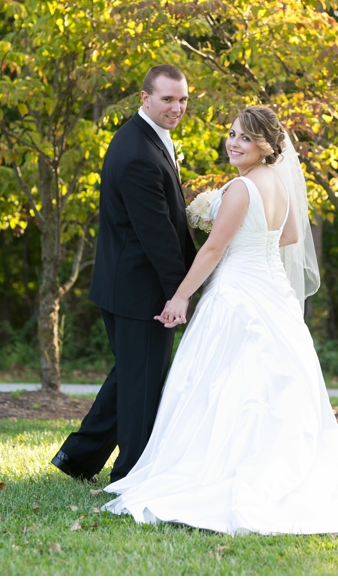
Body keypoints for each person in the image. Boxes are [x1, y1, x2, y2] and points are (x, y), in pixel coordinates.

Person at [102, 106, 338, 535]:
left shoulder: (240, 188)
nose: (233, 142)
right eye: (231, 134)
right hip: (273, 291)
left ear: (265, 146)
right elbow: (288, 236)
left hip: (236, 295)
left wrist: (179, 296)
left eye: (244, 138)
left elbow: (211, 252)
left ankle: (221, 468)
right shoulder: (279, 184)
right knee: (274, 386)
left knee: (222, 383)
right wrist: (243, 234)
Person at [51, 64, 198, 484]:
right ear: (145, 98)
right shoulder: (137, 153)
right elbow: (157, 235)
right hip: (141, 290)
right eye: (168, 99)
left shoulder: (146, 139)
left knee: (133, 374)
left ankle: (79, 458)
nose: (177, 107)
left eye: (183, 99)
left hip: (126, 284)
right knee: (143, 385)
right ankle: (131, 474)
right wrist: (180, 293)